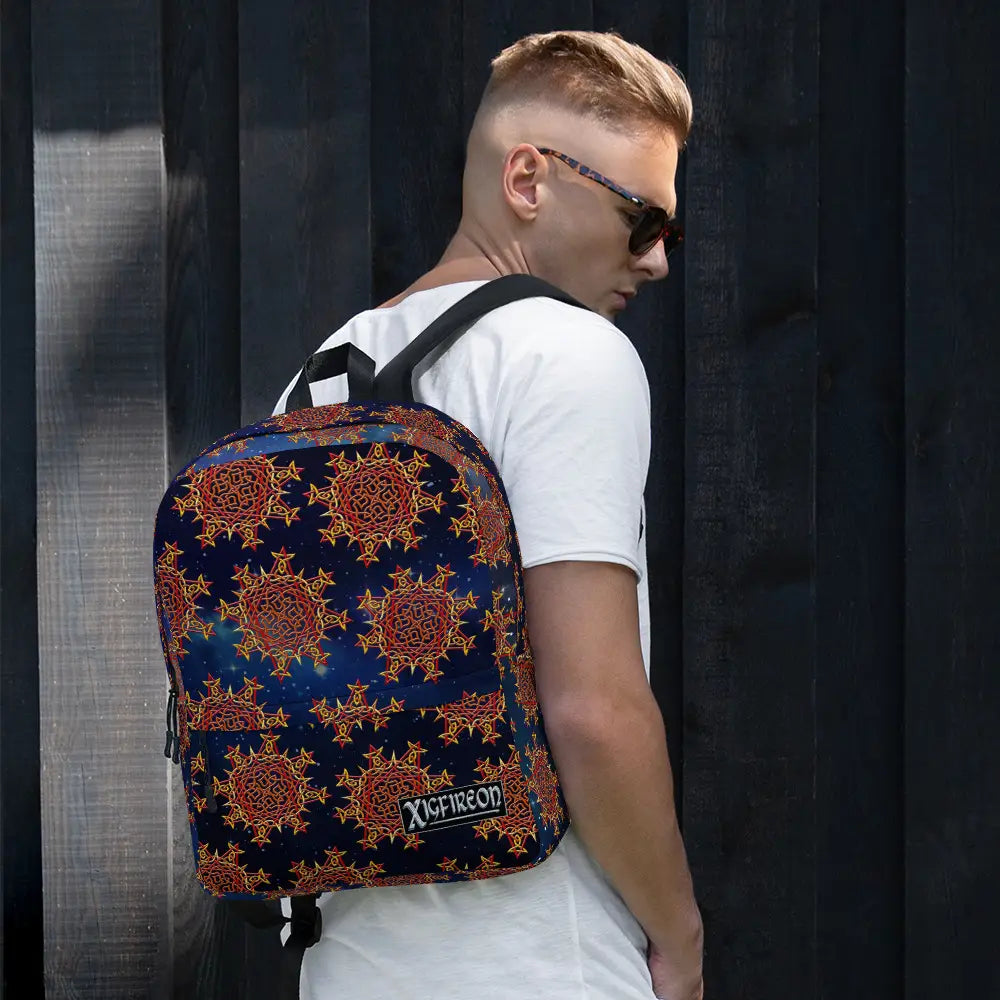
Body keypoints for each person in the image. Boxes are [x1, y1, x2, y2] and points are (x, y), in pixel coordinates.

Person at [273, 28, 704, 1000]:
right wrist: (680, 935)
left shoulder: (315, 382)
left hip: (346, 963)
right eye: (645, 222)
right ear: (528, 179)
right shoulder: (566, 351)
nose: (659, 262)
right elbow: (592, 707)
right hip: (536, 959)